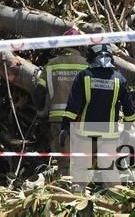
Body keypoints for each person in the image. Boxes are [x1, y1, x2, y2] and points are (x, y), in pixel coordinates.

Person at [60, 44, 135, 184]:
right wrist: (127, 130)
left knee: (80, 169)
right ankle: (118, 200)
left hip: (84, 134)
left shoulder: (84, 76)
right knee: (110, 170)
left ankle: (77, 201)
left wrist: (65, 127)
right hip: (109, 135)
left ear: (91, 57)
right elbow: (129, 111)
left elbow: (73, 107)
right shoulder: (120, 79)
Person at [33, 32, 87, 176]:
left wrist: (40, 111)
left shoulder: (51, 65)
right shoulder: (86, 65)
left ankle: (64, 184)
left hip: (57, 118)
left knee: (63, 157)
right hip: (80, 118)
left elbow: (39, 93)